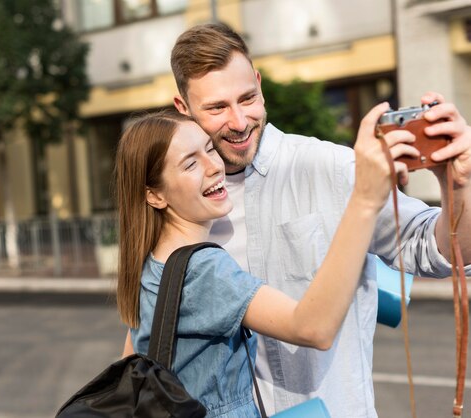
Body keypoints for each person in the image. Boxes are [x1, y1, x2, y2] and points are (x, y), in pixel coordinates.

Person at [123, 23, 471, 417]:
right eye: (217, 108)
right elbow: (143, 344)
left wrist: (460, 186)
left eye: (248, 98)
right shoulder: (181, 216)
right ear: (183, 108)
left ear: (259, 82)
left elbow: (439, 251)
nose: (238, 122)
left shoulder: (333, 167)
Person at [116, 107, 416, 417]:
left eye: (209, 149)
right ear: (155, 196)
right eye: (190, 163)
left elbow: (131, 364)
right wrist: (364, 201)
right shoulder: (204, 270)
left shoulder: (152, 263)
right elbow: (314, 328)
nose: (213, 166)